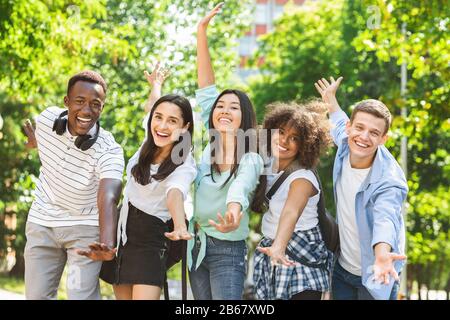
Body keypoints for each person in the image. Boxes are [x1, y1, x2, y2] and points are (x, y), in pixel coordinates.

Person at [23, 70, 124, 300]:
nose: (87, 111)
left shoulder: (110, 150)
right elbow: (40, 139)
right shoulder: (47, 120)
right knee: (36, 296)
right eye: (79, 101)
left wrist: (107, 244)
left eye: (95, 104)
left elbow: (108, 196)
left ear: (102, 108)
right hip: (43, 222)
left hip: (83, 230)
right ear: (66, 102)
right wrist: (34, 142)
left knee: (80, 296)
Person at [100, 63, 197, 300]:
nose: (162, 126)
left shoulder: (184, 163)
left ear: (185, 128)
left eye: (172, 121)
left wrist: (179, 225)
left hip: (151, 240)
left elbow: (175, 193)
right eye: (159, 118)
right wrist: (156, 85)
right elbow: (150, 107)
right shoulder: (149, 139)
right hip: (123, 233)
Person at [188, 2, 264, 300]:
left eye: (233, 107)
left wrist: (233, 213)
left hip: (227, 250)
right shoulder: (209, 148)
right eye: (220, 106)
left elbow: (241, 189)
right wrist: (201, 31)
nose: (224, 110)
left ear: (244, 118)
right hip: (198, 244)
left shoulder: (252, 158)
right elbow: (207, 85)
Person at [314, 76, 408, 300]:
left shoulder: (389, 180)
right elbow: (338, 119)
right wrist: (330, 99)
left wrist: (383, 256)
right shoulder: (346, 141)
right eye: (359, 128)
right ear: (349, 128)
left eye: (374, 133)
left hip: (377, 272)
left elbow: (386, 217)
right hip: (343, 268)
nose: (364, 137)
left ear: (384, 139)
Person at [251, 101, 334, 300]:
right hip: (271, 252)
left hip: (301, 257)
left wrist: (279, 247)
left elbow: (291, 212)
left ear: (305, 144)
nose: (285, 140)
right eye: (281, 132)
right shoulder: (266, 164)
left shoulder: (302, 177)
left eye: (294, 138)